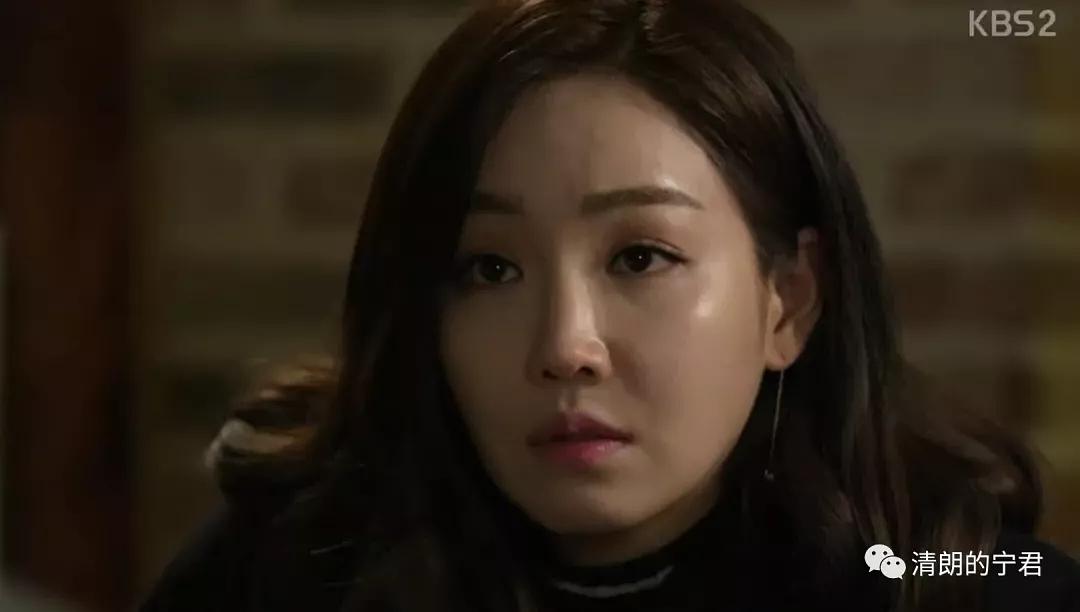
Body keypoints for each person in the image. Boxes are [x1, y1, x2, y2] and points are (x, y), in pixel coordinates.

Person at [139, 0, 1080, 610]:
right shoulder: (284, 574)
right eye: (488, 269)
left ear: (788, 300)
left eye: (640, 257)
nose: (566, 346)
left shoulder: (962, 588)